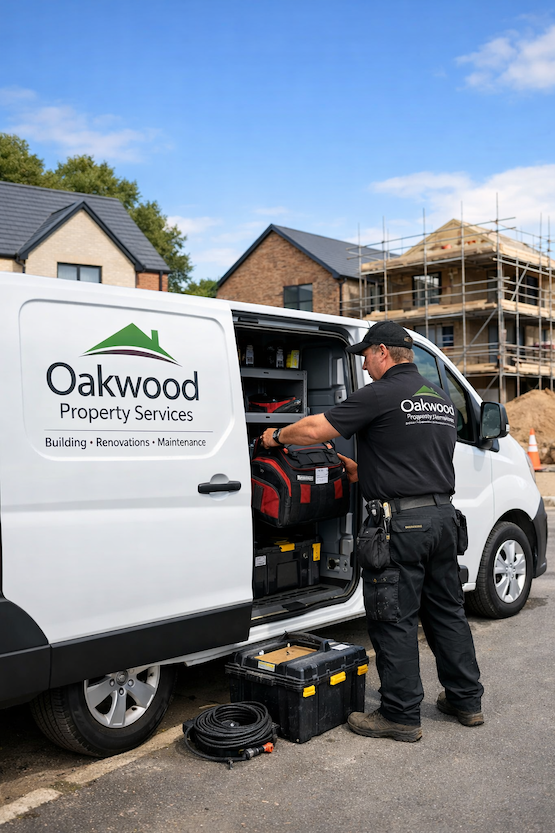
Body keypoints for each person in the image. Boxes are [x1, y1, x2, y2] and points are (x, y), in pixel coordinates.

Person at [261, 320, 483, 743]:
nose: (362, 365)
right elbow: (415, 461)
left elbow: (313, 430)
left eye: (365, 355)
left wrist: (275, 437)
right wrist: (360, 470)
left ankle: (400, 715)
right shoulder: (439, 398)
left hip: (401, 527)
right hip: (442, 521)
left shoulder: (380, 393)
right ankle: (466, 701)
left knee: (393, 618)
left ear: (383, 351)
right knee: (447, 615)